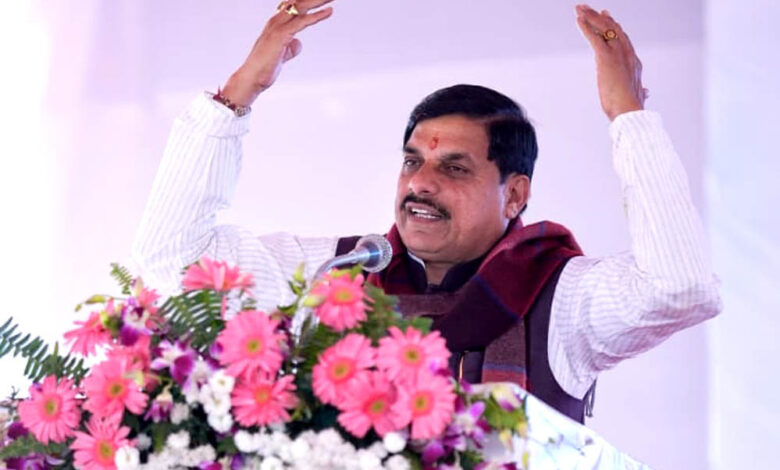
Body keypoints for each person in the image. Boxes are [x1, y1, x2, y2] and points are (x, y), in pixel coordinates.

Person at [132, 2, 721, 423]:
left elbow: (681, 287)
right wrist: (237, 95)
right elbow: (169, 261)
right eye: (412, 161)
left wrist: (628, 118)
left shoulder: (559, 296)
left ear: (515, 195)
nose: (420, 184)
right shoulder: (335, 275)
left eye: (454, 168)